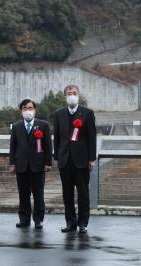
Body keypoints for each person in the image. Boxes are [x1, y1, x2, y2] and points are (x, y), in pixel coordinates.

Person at [53, 85, 97, 233]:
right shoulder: (58, 114)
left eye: (74, 93)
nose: (71, 95)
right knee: (67, 193)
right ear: (65, 96)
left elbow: (92, 137)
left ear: (79, 95)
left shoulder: (87, 113)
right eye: (69, 93)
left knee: (83, 192)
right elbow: (57, 137)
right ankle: (70, 223)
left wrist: (91, 158)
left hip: (82, 160)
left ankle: (83, 223)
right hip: (65, 159)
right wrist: (57, 156)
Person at [9, 99, 52, 230]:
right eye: (25, 108)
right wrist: (12, 163)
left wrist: (48, 163)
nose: (28, 110)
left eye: (30, 108)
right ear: (21, 111)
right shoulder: (16, 126)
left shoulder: (43, 125)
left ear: (35, 110)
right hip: (21, 166)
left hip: (37, 166)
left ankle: (38, 220)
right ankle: (24, 219)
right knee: (23, 195)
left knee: (38, 195)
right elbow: (13, 147)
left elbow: (48, 146)